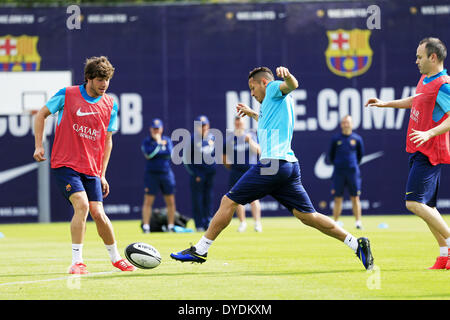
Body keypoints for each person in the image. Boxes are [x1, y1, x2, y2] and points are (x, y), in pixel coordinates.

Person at [171, 66, 374, 270]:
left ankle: (200, 249)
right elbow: (268, 122)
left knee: (228, 201)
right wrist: (252, 114)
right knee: (308, 216)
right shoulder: (271, 104)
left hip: (272, 164)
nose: (251, 93)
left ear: (264, 83)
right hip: (288, 166)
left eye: (252, 88)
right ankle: (357, 244)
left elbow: (293, 85)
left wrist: (288, 76)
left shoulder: (274, 88)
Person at [33, 56, 135, 274]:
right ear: (89, 78)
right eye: (100, 79)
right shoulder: (68, 94)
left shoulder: (110, 104)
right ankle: (77, 262)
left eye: (107, 80)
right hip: (65, 163)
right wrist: (38, 145)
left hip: (91, 169)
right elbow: (41, 115)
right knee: (82, 205)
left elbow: (107, 140)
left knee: (98, 212)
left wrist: (103, 174)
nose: (104, 84)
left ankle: (116, 258)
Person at [365, 37, 450, 270]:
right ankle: (445, 255)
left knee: (413, 203)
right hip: (418, 149)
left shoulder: (443, 84)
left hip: (429, 151)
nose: (416, 61)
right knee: (428, 208)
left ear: (433, 57)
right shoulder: (426, 79)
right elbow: (416, 100)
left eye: (420, 57)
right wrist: (385, 104)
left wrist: (429, 133)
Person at [223, 116, 262, 232]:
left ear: (244, 124)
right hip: (236, 171)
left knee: (254, 198)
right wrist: (230, 166)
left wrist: (249, 141)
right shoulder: (230, 138)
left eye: (240, 123)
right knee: (237, 198)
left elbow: (259, 150)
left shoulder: (251, 135)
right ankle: (242, 223)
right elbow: (224, 156)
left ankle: (257, 223)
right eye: (237, 123)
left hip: (251, 170)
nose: (238, 125)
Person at [140, 118, 177, 233]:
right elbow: (149, 154)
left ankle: (170, 226)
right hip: (152, 174)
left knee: (170, 200)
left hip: (166, 173)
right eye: (154, 129)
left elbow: (169, 154)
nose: (156, 131)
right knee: (148, 200)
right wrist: (158, 144)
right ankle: (146, 226)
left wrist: (160, 148)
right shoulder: (147, 141)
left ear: (161, 129)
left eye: (158, 129)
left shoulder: (167, 140)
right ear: (150, 129)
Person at [328, 115, 365, 229]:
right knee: (337, 198)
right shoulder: (336, 139)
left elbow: (360, 156)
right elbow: (331, 156)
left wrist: (352, 165)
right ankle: (336, 222)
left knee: (355, 197)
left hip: (352, 172)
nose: (346, 124)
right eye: (344, 122)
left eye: (348, 122)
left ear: (352, 124)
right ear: (341, 125)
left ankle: (358, 222)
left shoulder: (357, 139)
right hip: (339, 172)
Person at [183, 115, 216, 232]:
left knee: (208, 199)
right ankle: (199, 224)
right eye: (201, 126)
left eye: (205, 125)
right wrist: (195, 173)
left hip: (209, 174)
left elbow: (213, 155)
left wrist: (213, 168)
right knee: (197, 200)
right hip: (198, 175)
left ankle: (208, 222)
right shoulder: (192, 140)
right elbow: (186, 159)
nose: (203, 128)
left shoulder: (212, 137)